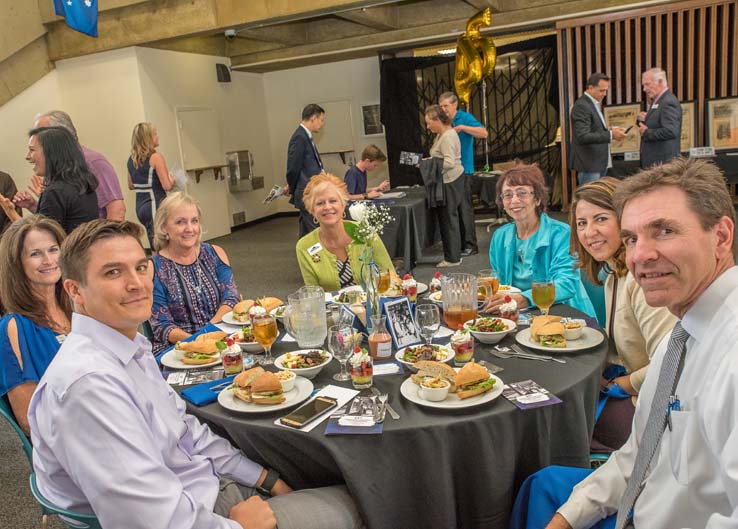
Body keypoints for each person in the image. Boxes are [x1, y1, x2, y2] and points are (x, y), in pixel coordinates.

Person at [27, 219, 365, 529]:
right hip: (202, 509)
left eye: (141, 267)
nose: (136, 284)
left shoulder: (130, 347)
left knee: (333, 467)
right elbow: (148, 519)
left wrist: (266, 478)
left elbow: (186, 432)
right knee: (371, 502)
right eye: (113, 273)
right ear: (74, 290)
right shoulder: (88, 386)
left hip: (205, 484)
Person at [511, 157, 738, 529]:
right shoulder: (681, 338)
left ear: (722, 236)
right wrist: (567, 518)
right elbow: (638, 454)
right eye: (632, 238)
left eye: (664, 230)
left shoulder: (730, 354)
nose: (639, 255)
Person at [569, 177, 676, 451]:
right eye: (582, 223)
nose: (589, 232)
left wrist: (626, 383)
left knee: (566, 423)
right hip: (631, 388)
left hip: (652, 407)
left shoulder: (641, 282)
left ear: (625, 219)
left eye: (601, 219)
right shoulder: (612, 277)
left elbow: (671, 364)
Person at [484, 164, 594, 316]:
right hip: (520, 315)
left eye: (522, 193)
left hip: (566, 314)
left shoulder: (561, 234)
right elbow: (501, 286)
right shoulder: (500, 237)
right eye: (507, 195)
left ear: (537, 199)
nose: (514, 200)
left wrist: (523, 299)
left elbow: (567, 284)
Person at [0, 215, 70, 435]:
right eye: (35, 254)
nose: (49, 260)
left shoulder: (79, 309)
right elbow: (30, 422)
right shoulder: (12, 328)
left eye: (53, 249)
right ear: (17, 264)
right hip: (65, 443)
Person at [149, 192, 239, 356]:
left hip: (221, 337)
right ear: (163, 227)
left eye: (194, 221)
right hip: (179, 348)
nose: (190, 229)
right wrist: (196, 343)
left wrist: (208, 334)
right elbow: (162, 326)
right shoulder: (154, 268)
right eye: (180, 222)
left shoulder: (214, 253)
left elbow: (231, 299)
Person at [296, 173, 393, 291]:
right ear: (312, 210)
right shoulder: (305, 246)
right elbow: (313, 295)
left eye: (333, 201)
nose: (327, 207)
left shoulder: (365, 233)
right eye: (320, 203)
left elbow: (390, 277)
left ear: (343, 204)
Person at [34, 110, 126, 221]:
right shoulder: (54, 166)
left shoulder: (94, 163)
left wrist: (106, 238)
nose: (36, 140)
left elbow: (117, 210)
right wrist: (33, 205)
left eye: (42, 134)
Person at [13, 126, 99, 234]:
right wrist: (33, 206)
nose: (27, 156)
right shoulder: (82, 183)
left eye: (32, 150)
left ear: (51, 153)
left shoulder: (55, 192)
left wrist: (10, 211)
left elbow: (44, 238)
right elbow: (65, 221)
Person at [439, 91, 488, 256]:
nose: (443, 109)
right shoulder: (443, 122)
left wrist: (462, 128)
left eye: (445, 106)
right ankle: (459, 243)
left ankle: (470, 245)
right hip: (449, 172)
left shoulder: (464, 118)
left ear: (454, 105)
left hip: (464, 170)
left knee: (465, 208)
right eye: (441, 106)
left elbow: (484, 133)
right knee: (455, 209)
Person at [423, 104, 465, 267]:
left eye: (429, 123)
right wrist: (429, 162)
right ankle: (452, 255)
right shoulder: (442, 135)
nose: (427, 126)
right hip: (448, 180)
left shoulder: (447, 136)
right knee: (448, 219)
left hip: (450, 182)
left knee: (449, 220)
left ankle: (453, 258)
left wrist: (428, 166)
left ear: (438, 120)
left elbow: (448, 162)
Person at [569, 73, 627, 185]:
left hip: (597, 163)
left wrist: (610, 129)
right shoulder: (582, 105)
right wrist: (610, 134)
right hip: (589, 164)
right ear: (590, 88)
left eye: (606, 90)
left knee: (597, 198)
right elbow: (583, 136)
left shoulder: (591, 104)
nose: (604, 94)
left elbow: (593, 129)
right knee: (590, 199)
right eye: (601, 90)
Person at [128, 122, 175, 250]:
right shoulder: (156, 157)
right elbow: (166, 186)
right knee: (162, 245)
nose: (157, 136)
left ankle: (157, 267)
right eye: (154, 134)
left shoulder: (131, 159)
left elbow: (131, 185)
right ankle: (161, 269)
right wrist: (172, 178)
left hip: (140, 206)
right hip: (155, 204)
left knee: (153, 243)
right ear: (148, 138)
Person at [286, 104, 326, 238]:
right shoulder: (300, 137)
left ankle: (304, 256)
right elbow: (293, 168)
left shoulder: (305, 136)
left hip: (309, 190)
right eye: (321, 120)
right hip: (307, 192)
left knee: (306, 231)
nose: (322, 124)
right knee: (315, 231)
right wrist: (292, 187)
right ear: (314, 118)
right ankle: (319, 257)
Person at [638, 68, 682, 168]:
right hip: (657, 162)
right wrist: (646, 119)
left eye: (647, 84)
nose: (644, 89)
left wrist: (646, 132)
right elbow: (659, 123)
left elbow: (671, 131)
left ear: (660, 82)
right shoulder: (658, 100)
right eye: (643, 85)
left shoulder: (668, 102)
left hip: (663, 163)